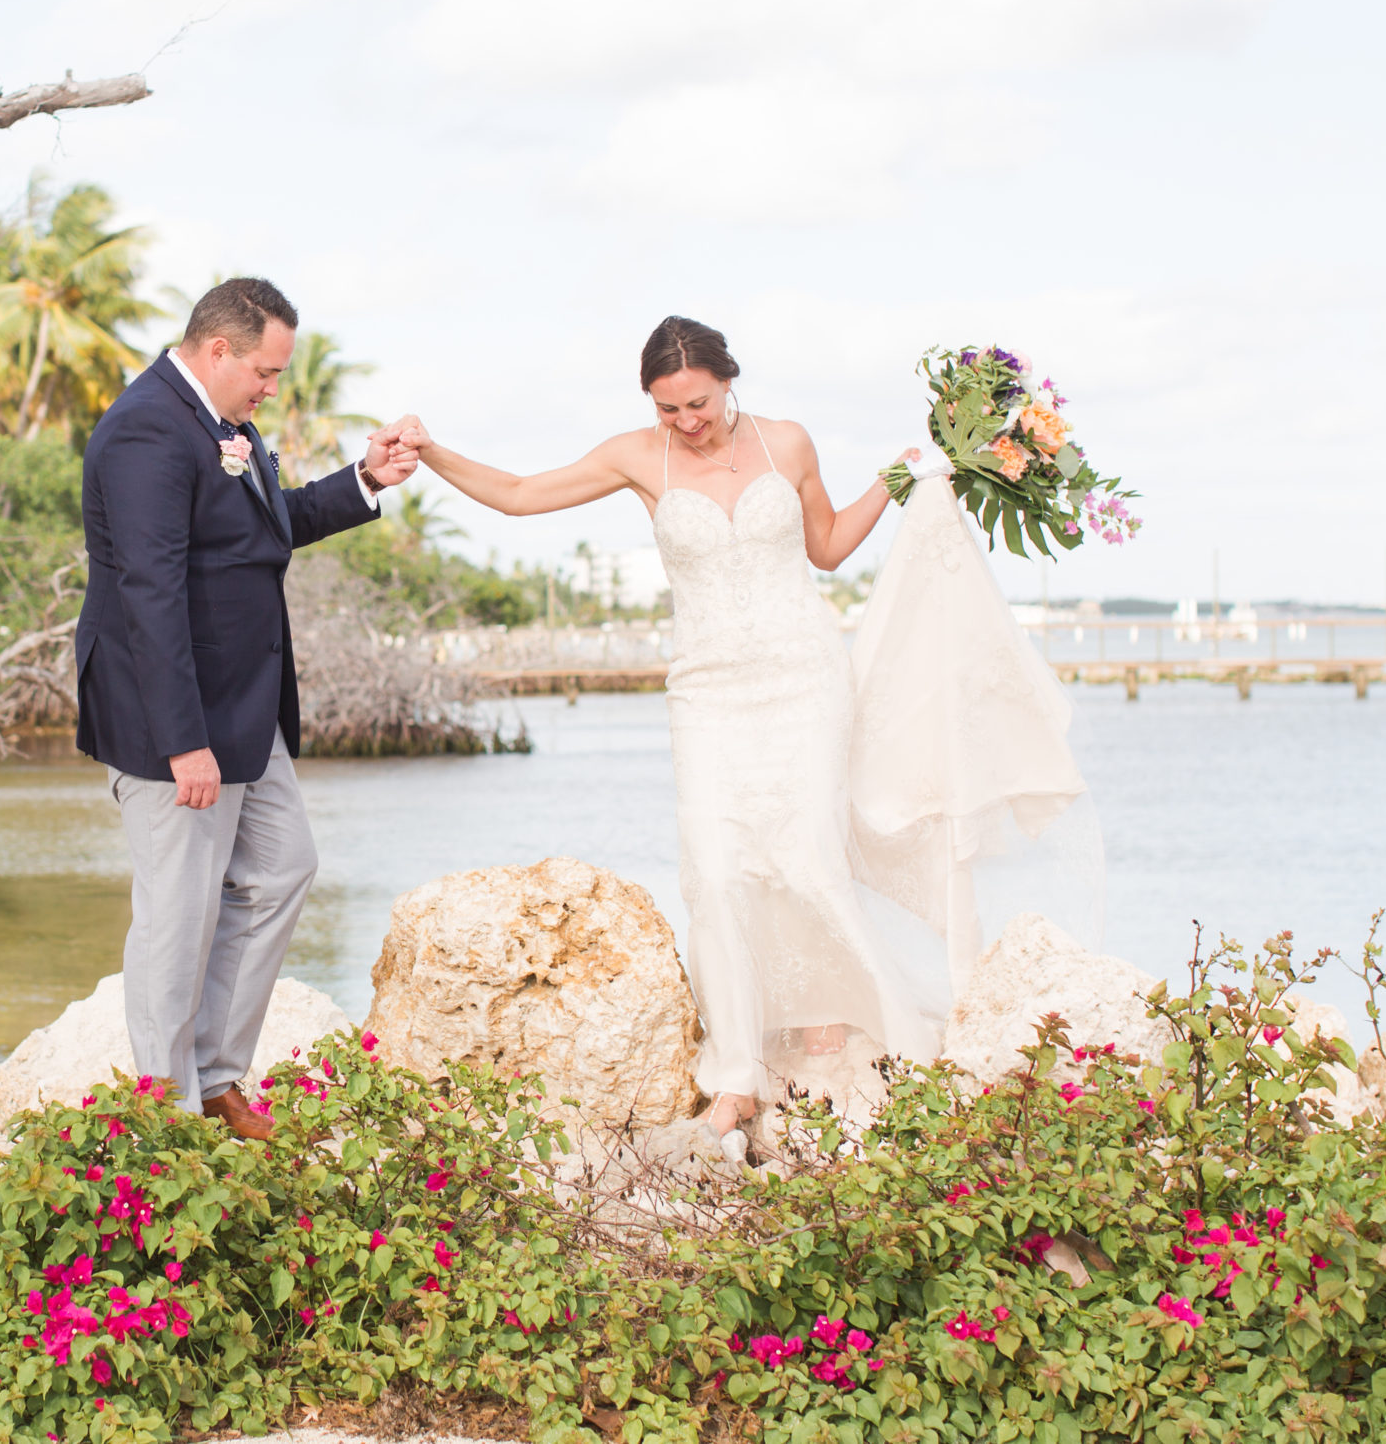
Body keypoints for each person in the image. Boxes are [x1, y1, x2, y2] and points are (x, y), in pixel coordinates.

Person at [395, 317, 939, 1142]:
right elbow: (517, 495)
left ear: (729, 380)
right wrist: (432, 452)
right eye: (668, 407)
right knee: (716, 871)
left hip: (803, 676)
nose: (687, 421)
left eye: (699, 402)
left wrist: (893, 484)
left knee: (809, 854)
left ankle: (831, 1012)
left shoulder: (786, 442)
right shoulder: (637, 456)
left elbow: (827, 548)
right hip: (707, 689)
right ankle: (735, 1077)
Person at [75, 277, 420, 1139]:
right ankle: (167, 1111)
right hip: (178, 720)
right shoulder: (147, 428)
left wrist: (364, 479)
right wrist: (182, 742)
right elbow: (149, 591)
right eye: (265, 371)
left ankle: (217, 1074)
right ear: (218, 348)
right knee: (178, 911)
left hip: (246, 710)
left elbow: (268, 527)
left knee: (282, 869)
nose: (273, 388)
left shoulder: (225, 427)